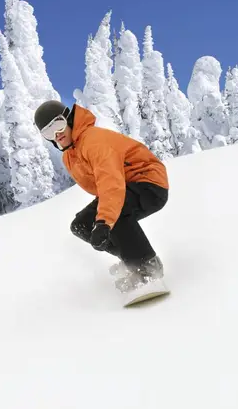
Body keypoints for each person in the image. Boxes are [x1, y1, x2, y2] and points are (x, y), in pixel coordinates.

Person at [34, 100, 169, 292]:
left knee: (112, 216)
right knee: (82, 225)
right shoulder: (70, 155)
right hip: (125, 187)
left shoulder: (93, 141)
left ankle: (147, 268)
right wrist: (102, 223)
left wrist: (104, 221)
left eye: (58, 124)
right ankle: (132, 260)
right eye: (48, 132)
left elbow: (110, 182)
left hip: (148, 182)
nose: (57, 134)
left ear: (69, 119)